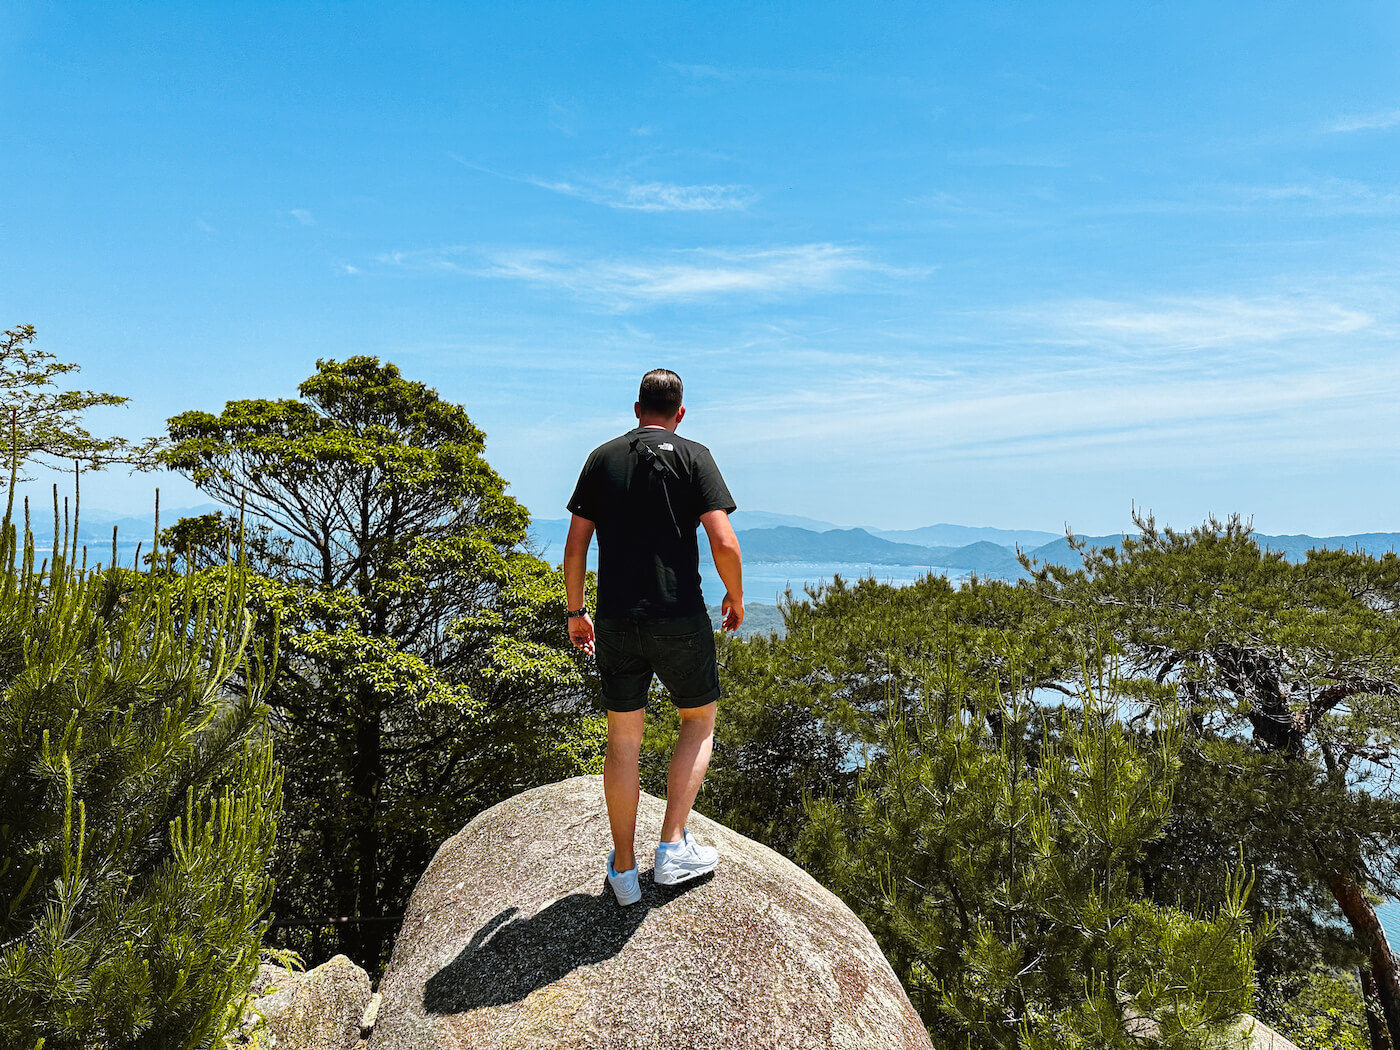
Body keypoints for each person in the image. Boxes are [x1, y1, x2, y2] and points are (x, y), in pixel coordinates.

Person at [564, 368, 744, 906]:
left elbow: (576, 546)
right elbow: (724, 541)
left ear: (636, 408)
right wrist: (734, 596)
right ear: (679, 414)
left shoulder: (602, 458)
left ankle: (623, 871)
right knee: (698, 720)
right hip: (679, 615)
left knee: (623, 741)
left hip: (616, 619)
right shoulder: (694, 455)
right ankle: (671, 848)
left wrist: (576, 611)